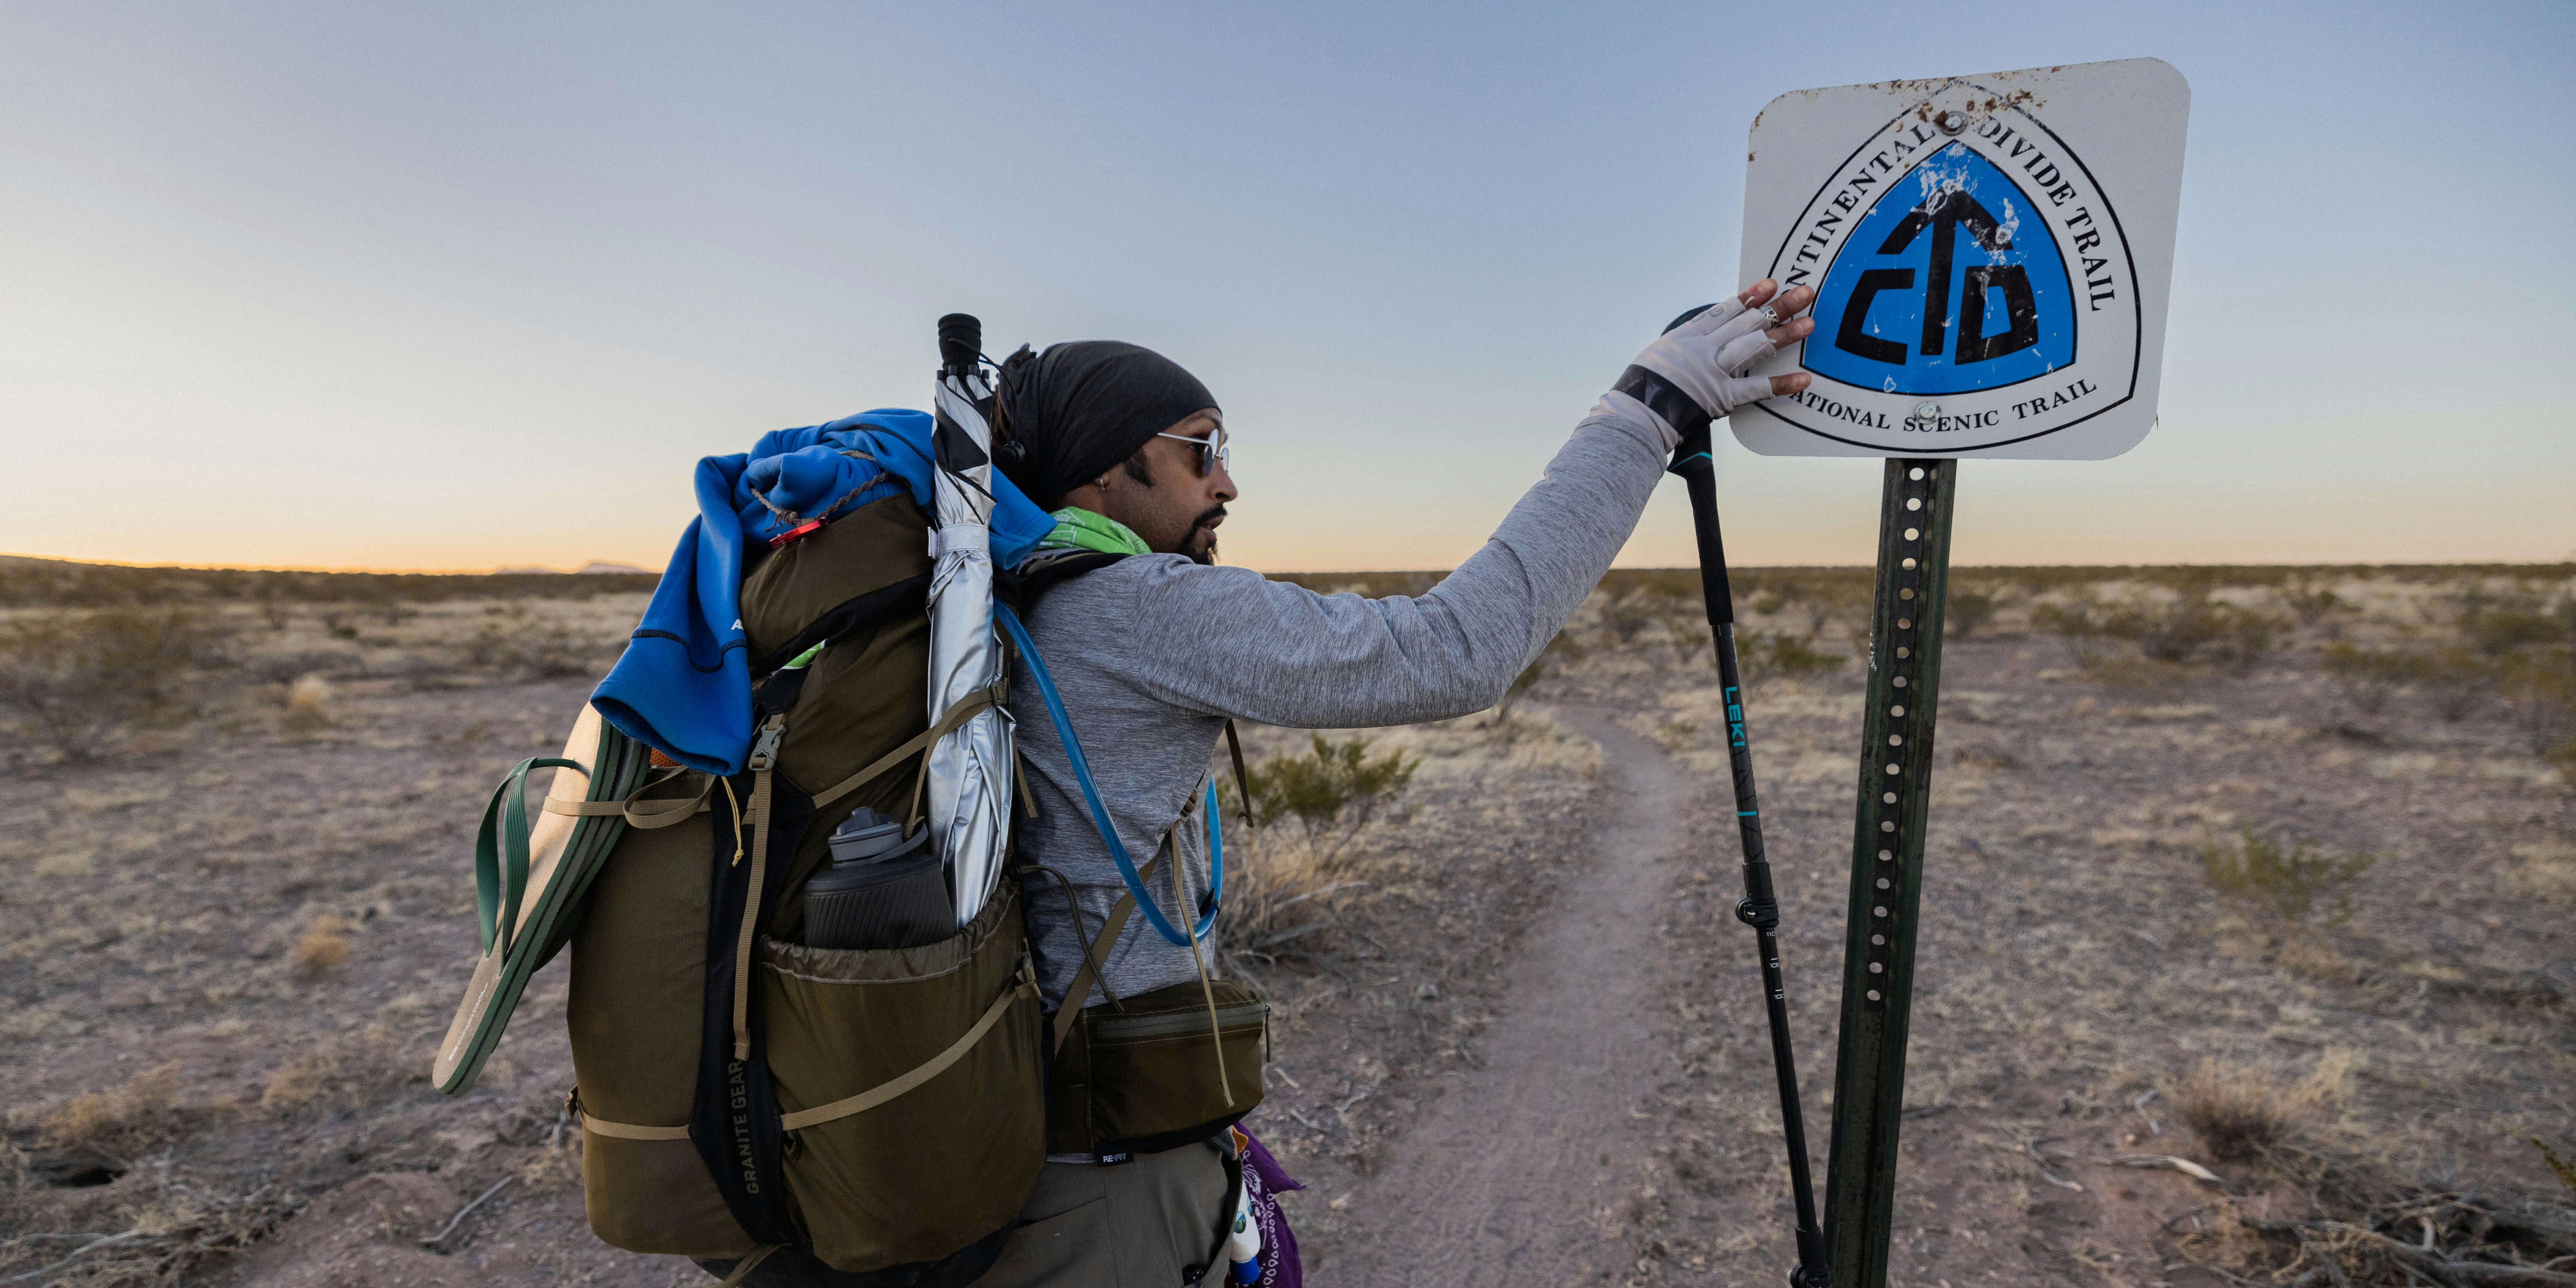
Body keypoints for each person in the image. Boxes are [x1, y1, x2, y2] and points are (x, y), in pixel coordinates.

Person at [968, 280, 1815, 1285]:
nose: (1227, 483)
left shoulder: (1009, 602)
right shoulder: (1132, 607)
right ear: (1110, 469)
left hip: (1023, 1127)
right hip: (1108, 1174)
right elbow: (1455, 648)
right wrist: (1643, 412)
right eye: (1203, 448)